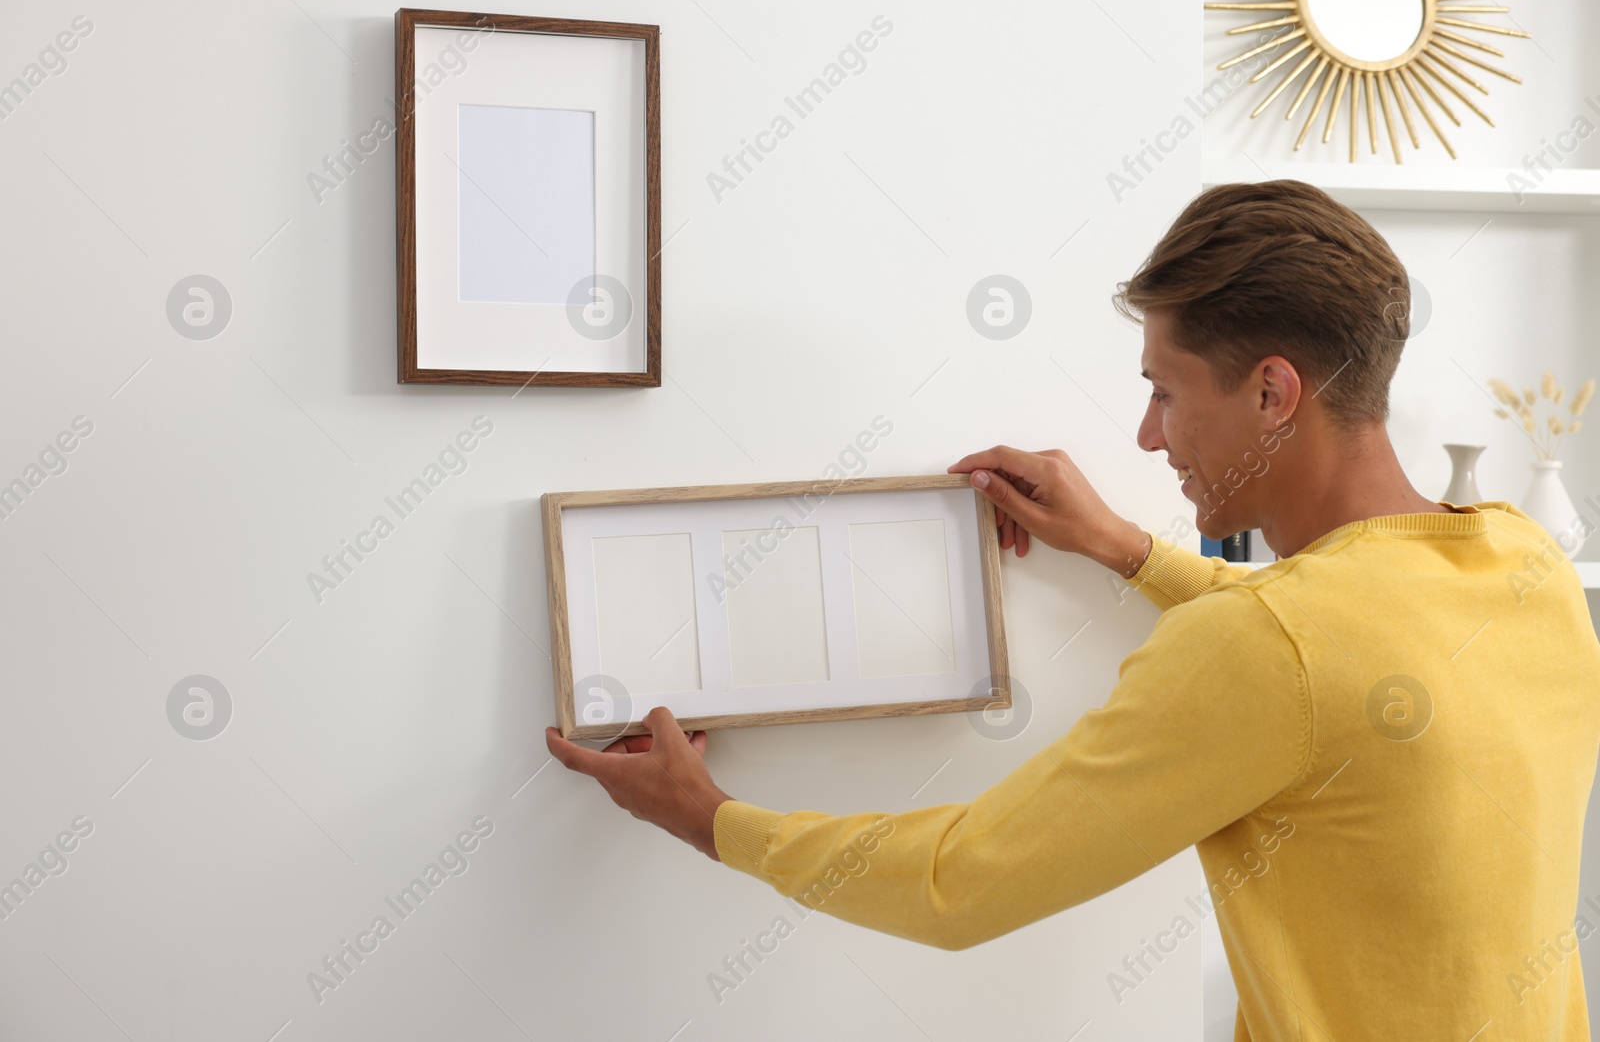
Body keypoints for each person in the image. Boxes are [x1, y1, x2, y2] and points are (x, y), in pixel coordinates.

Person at [545, 181, 1600, 1040]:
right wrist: (1122, 548)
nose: (1148, 436)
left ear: (1274, 394)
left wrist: (709, 817)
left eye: (1166, 389)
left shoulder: (1264, 647)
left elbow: (960, 882)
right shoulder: (1523, 562)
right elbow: (1344, 643)